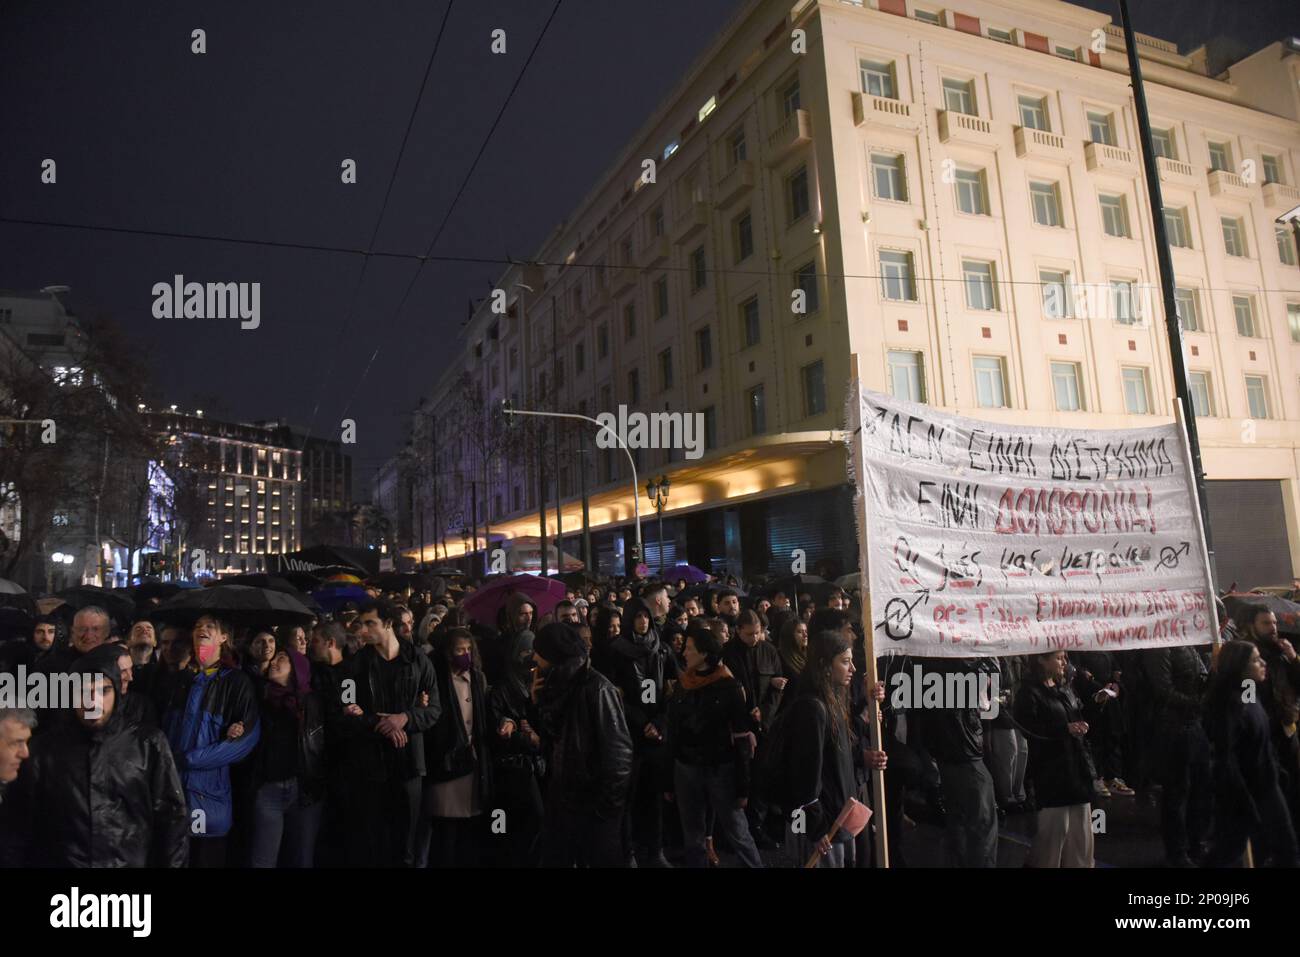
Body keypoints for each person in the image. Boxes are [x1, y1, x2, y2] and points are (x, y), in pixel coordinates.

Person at [10, 649, 189, 867]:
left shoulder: (148, 743)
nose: (92, 701)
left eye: (102, 691)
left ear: (116, 692)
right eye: (83, 691)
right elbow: (20, 825)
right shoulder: (44, 749)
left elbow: (171, 820)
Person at [332, 598, 441, 867]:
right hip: (369, 766)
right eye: (361, 624)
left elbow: (435, 710)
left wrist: (405, 717)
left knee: (406, 845)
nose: (364, 630)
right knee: (372, 842)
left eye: (371, 623)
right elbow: (344, 716)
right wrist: (381, 724)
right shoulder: (353, 667)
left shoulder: (417, 661)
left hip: (409, 765)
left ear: (389, 624)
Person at [161, 614, 263, 868]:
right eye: (197, 626)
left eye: (210, 626)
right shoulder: (180, 680)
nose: (202, 630)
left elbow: (245, 741)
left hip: (208, 800)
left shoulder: (236, 682)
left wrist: (187, 760)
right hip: (173, 797)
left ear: (224, 637)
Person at [533, 621, 633, 867]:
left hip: (593, 810)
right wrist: (538, 703)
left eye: (539, 652)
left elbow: (619, 757)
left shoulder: (596, 688)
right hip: (565, 803)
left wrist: (604, 812)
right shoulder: (558, 686)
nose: (535, 658)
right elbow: (553, 739)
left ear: (555, 655)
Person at [785, 629, 886, 868]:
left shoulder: (835, 697)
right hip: (824, 824)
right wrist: (816, 827)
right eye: (845, 662)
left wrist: (864, 757)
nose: (852, 669)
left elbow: (837, 751)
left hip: (840, 815)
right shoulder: (812, 707)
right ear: (824, 665)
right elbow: (806, 773)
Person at [665, 622, 762, 868]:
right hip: (686, 767)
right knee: (693, 835)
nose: (684, 653)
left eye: (690, 648)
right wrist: (668, 778)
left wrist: (743, 787)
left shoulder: (728, 686)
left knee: (737, 830)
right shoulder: (683, 684)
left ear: (705, 653)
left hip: (720, 768)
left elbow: (741, 737)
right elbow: (673, 732)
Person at [1204, 640, 1299, 867]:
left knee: (1285, 850)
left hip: (1266, 784)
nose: (1263, 663)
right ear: (1240, 666)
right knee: (1229, 850)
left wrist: (1275, 769)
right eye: (1256, 660)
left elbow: (1258, 732)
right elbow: (1226, 757)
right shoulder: (1227, 703)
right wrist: (1243, 799)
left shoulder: (1249, 691)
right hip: (1245, 792)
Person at [610, 596, 678, 867]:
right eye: (637, 616)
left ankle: (655, 849)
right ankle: (629, 852)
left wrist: (660, 721)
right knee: (629, 797)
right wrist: (641, 722)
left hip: (657, 733)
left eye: (646, 616)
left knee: (654, 794)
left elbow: (673, 690)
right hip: (630, 734)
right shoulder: (616, 650)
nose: (643, 621)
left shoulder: (660, 649)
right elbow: (616, 695)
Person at [418, 628, 492, 868]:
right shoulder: (437, 680)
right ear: (448, 653)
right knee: (446, 829)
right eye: (460, 650)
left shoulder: (477, 678)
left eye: (469, 650)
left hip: (472, 761)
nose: (465, 655)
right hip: (447, 762)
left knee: (468, 828)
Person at [1014, 650, 1095, 868]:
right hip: (1052, 773)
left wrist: (1080, 725)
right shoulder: (1029, 692)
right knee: (1053, 837)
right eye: (1059, 657)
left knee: (1081, 836)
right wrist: (1064, 728)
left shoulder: (1064, 688)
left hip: (1076, 769)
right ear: (1042, 659)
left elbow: (1075, 714)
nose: (1064, 662)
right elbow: (1028, 728)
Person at [916, 657, 999, 868]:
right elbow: (987, 684)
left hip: (948, 752)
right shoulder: (961, 666)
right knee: (981, 824)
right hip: (964, 750)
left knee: (959, 821)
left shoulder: (931, 663)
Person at [248, 647, 326, 868]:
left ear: (297, 669)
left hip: (305, 792)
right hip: (269, 790)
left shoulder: (312, 702)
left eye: (281, 659)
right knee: (263, 860)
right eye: (274, 658)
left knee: (302, 859)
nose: (273, 662)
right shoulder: (260, 697)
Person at [489, 629, 545, 867]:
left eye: (533, 651)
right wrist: (524, 735)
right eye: (524, 651)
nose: (529, 657)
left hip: (536, 764)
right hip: (510, 767)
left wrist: (536, 734)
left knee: (536, 820)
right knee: (504, 823)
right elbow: (498, 730)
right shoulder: (502, 688)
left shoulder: (542, 684)